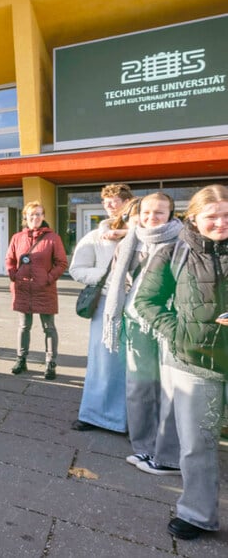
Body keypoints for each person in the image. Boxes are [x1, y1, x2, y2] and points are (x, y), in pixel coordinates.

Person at [134, 184, 228, 541]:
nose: (220, 222)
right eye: (212, 216)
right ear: (193, 218)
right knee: (197, 444)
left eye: (226, 215)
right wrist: (178, 332)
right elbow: (147, 301)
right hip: (194, 361)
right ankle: (197, 513)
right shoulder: (174, 252)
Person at [102, 193, 182, 474]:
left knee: (171, 391)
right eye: (147, 212)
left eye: (159, 212)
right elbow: (116, 277)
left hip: (167, 325)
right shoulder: (131, 240)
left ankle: (169, 456)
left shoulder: (181, 242)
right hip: (134, 323)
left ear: (171, 215)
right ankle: (144, 448)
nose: (151, 218)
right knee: (138, 388)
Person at [68, 183, 134, 431]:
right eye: (106, 202)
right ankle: (94, 415)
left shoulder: (144, 232)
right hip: (107, 303)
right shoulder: (96, 236)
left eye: (115, 200)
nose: (110, 206)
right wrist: (109, 277)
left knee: (136, 364)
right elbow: (76, 269)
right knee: (103, 360)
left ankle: (132, 419)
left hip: (140, 304)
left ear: (129, 202)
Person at [6, 201, 68, 379]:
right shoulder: (17, 237)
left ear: (43, 216)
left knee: (48, 327)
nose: (35, 218)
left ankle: (50, 363)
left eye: (39, 214)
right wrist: (14, 275)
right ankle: (21, 359)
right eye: (32, 215)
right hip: (23, 288)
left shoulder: (53, 238)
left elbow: (62, 263)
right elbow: (10, 259)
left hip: (44, 289)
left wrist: (48, 279)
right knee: (24, 326)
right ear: (25, 217)